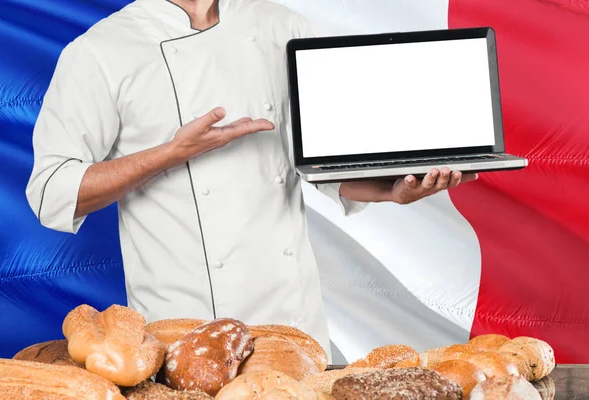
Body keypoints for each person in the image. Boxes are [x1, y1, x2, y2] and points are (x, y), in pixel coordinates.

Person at [26, 0, 477, 359]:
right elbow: (52, 191)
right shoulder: (102, 51)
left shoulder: (283, 26)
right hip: (184, 328)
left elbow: (316, 162)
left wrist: (391, 191)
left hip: (293, 319)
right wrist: (171, 153)